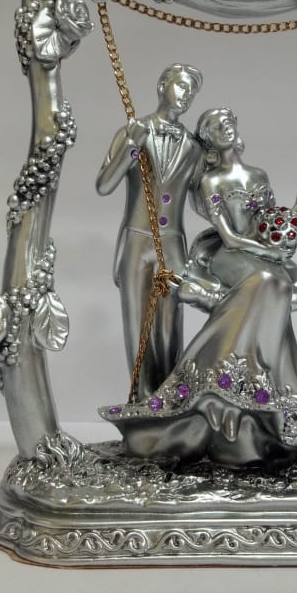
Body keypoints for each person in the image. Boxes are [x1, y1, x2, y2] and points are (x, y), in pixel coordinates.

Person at [101, 108, 297, 465]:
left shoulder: (258, 175)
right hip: (228, 254)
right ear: (209, 142)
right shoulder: (211, 182)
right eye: (215, 126)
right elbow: (231, 239)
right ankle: (227, 374)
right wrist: (268, 253)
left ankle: (269, 383)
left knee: (274, 283)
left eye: (228, 122)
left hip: (259, 251)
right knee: (266, 281)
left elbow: (268, 225)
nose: (225, 127)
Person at [96, 64, 204, 398]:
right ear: (162, 86)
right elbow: (104, 184)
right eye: (181, 86)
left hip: (173, 247)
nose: (186, 95)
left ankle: (168, 400)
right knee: (137, 325)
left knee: (170, 327)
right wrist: (132, 146)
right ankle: (141, 400)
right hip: (136, 242)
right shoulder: (134, 130)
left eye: (192, 91)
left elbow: (203, 203)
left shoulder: (194, 147)